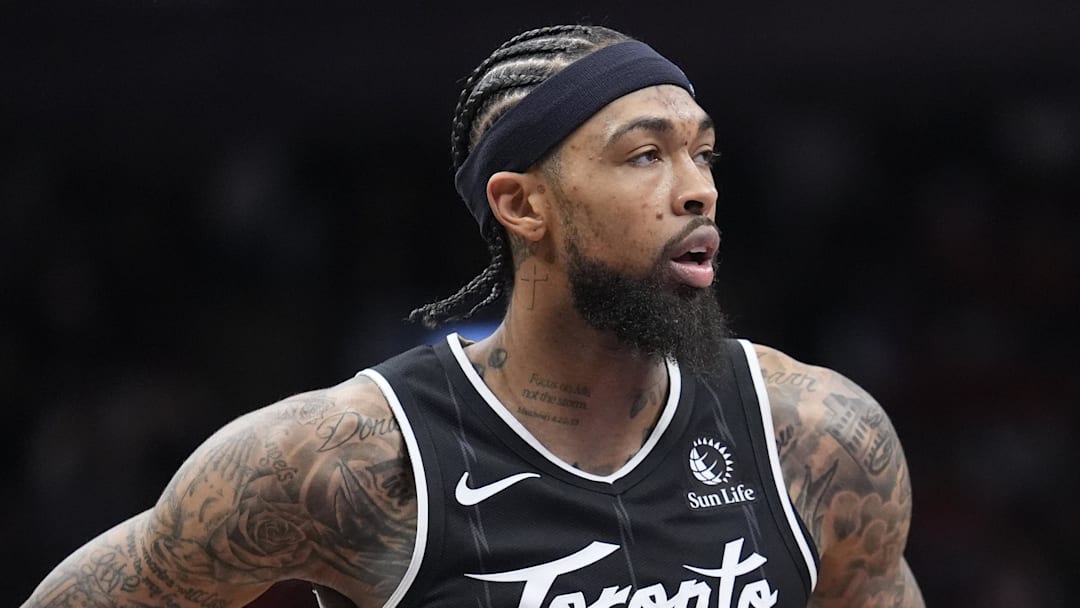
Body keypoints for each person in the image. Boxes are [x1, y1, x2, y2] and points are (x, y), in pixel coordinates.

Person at [22, 24, 924, 608]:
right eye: (646, 155)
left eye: (704, 153)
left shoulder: (815, 437)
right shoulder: (349, 461)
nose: (698, 190)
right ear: (523, 206)